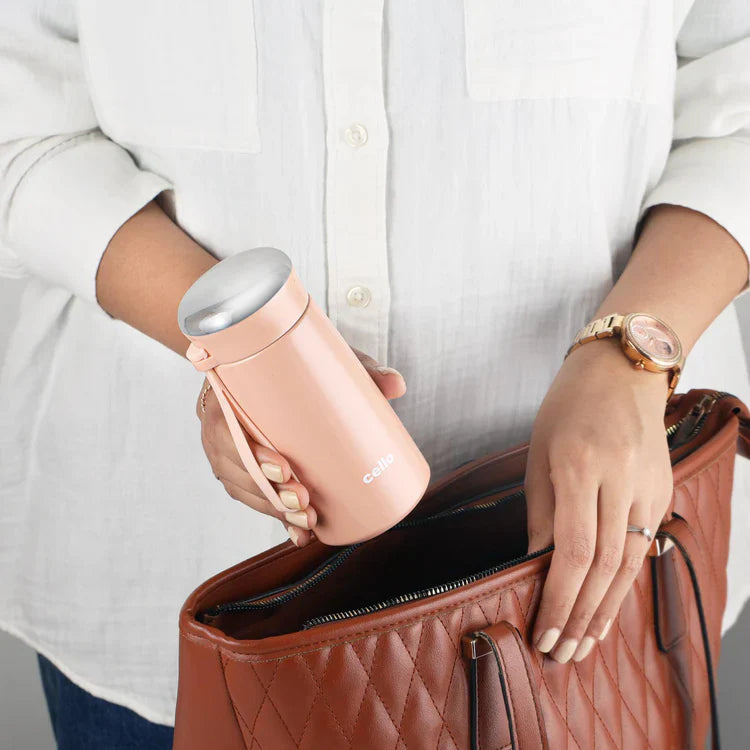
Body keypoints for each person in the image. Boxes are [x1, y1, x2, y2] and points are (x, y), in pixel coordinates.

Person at [1, 1, 749, 747]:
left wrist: (630, 354)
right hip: (169, 563)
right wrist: (247, 359)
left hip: (596, 574)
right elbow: (23, 128)